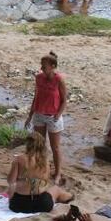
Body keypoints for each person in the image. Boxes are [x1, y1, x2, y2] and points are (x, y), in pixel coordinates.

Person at [24, 52, 67, 185]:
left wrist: (58, 115)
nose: (42, 68)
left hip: (52, 116)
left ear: (53, 66)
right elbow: (36, 97)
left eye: (44, 65)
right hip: (39, 114)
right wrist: (30, 116)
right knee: (40, 144)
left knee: (55, 147)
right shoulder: (39, 78)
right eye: (41, 65)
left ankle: (58, 173)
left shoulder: (59, 79)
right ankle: (42, 169)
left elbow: (64, 100)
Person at [7, 131, 74, 213]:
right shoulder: (45, 161)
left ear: (27, 144)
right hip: (42, 204)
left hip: (18, 205)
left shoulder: (19, 159)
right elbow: (46, 181)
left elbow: (11, 181)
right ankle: (70, 196)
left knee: (15, 187)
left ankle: (67, 197)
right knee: (55, 189)